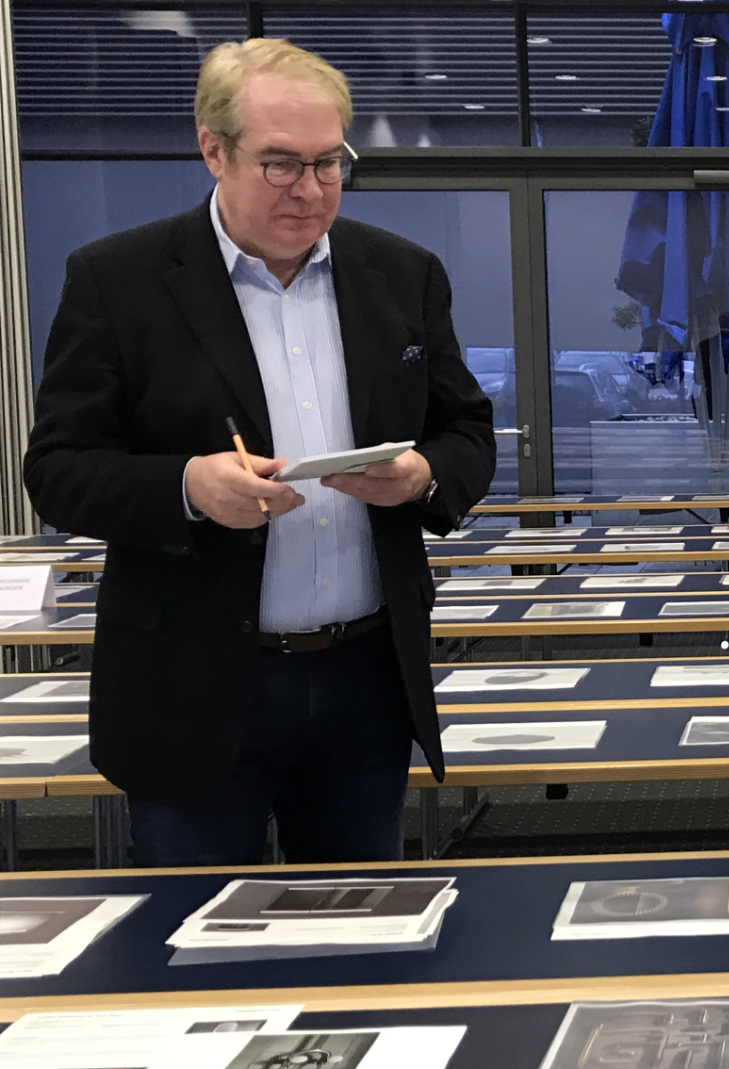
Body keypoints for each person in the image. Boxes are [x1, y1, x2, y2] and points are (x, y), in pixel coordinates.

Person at [22, 39, 495, 866]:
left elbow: (468, 434)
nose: (310, 190)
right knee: (194, 954)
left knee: (361, 944)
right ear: (214, 150)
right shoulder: (118, 280)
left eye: (329, 163)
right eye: (281, 164)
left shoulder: (403, 275)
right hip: (193, 685)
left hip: (365, 678)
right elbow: (57, 470)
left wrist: (420, 475)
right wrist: (186, 485)